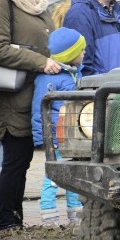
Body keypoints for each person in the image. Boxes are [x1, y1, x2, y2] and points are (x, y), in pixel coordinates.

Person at [0, 0, 61, 231]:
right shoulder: (0, 4)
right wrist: (40, 61)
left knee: (24, 158)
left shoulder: (35, 2)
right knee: (16, 159)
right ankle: (7, 221)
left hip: (35, 94)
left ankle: (14, 219)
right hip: (11, 96)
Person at [32, 27, 86, 226]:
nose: (84, 54)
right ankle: (48, 215)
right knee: (52, 179)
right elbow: (40, 109)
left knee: (73, 175)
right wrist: (42, 137)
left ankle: (75, 214)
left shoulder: (74, 75)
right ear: (71, 55)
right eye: (81, 50)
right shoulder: (48, 79)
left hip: (71, 137)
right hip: (56, 138)